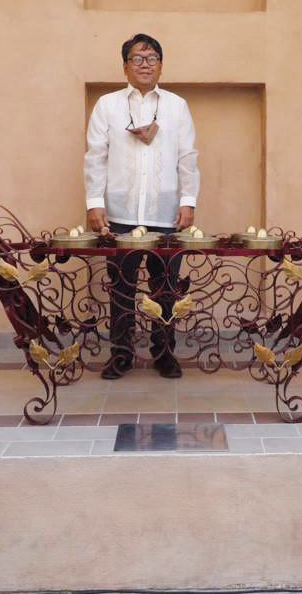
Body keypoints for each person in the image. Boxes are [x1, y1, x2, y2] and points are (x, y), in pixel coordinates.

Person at [84, 33, 200, 379]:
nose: (145, 64)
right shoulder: (108, 105)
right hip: (119, 213)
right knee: (121, 287)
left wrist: (188, 201)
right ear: (125, 66)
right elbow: (95, 157)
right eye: (137, 58)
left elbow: (188, 157)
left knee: (166, 289)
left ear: (161, 65)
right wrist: (94, 203)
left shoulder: (177, 106)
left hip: (166, 213)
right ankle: (121, 355)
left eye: (151, 57)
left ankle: (164, 354)